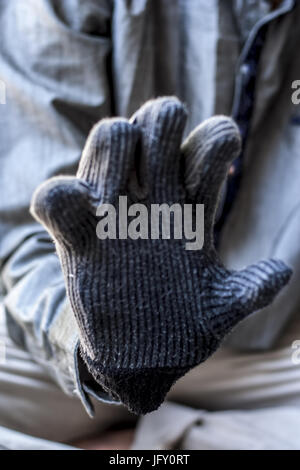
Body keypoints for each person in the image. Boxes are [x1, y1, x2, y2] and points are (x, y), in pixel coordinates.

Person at [0, 0, 300, 450]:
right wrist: (95, 342)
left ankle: (143, 441)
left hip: (275, 348)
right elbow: (25, 231)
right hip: (79, 342)